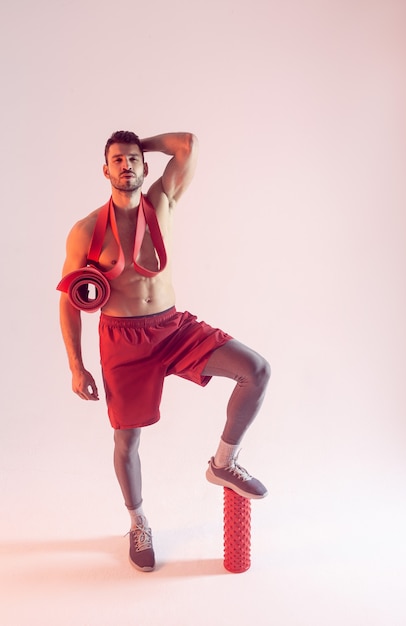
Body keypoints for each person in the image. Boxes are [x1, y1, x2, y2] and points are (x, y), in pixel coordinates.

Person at [59, 130, 271, 572]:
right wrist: (77, 367)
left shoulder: (162, 204)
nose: (126, 165)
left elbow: (188, 145)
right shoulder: (85, 231)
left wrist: (141, 141)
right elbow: (68, 300)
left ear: (145, 165)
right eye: (117, 160)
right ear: (105, 170)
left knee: (256, 370)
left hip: (172, 327)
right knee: (127, 439)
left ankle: (223, 463)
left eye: (133, 158)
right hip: (121, 339)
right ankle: (137, 521)